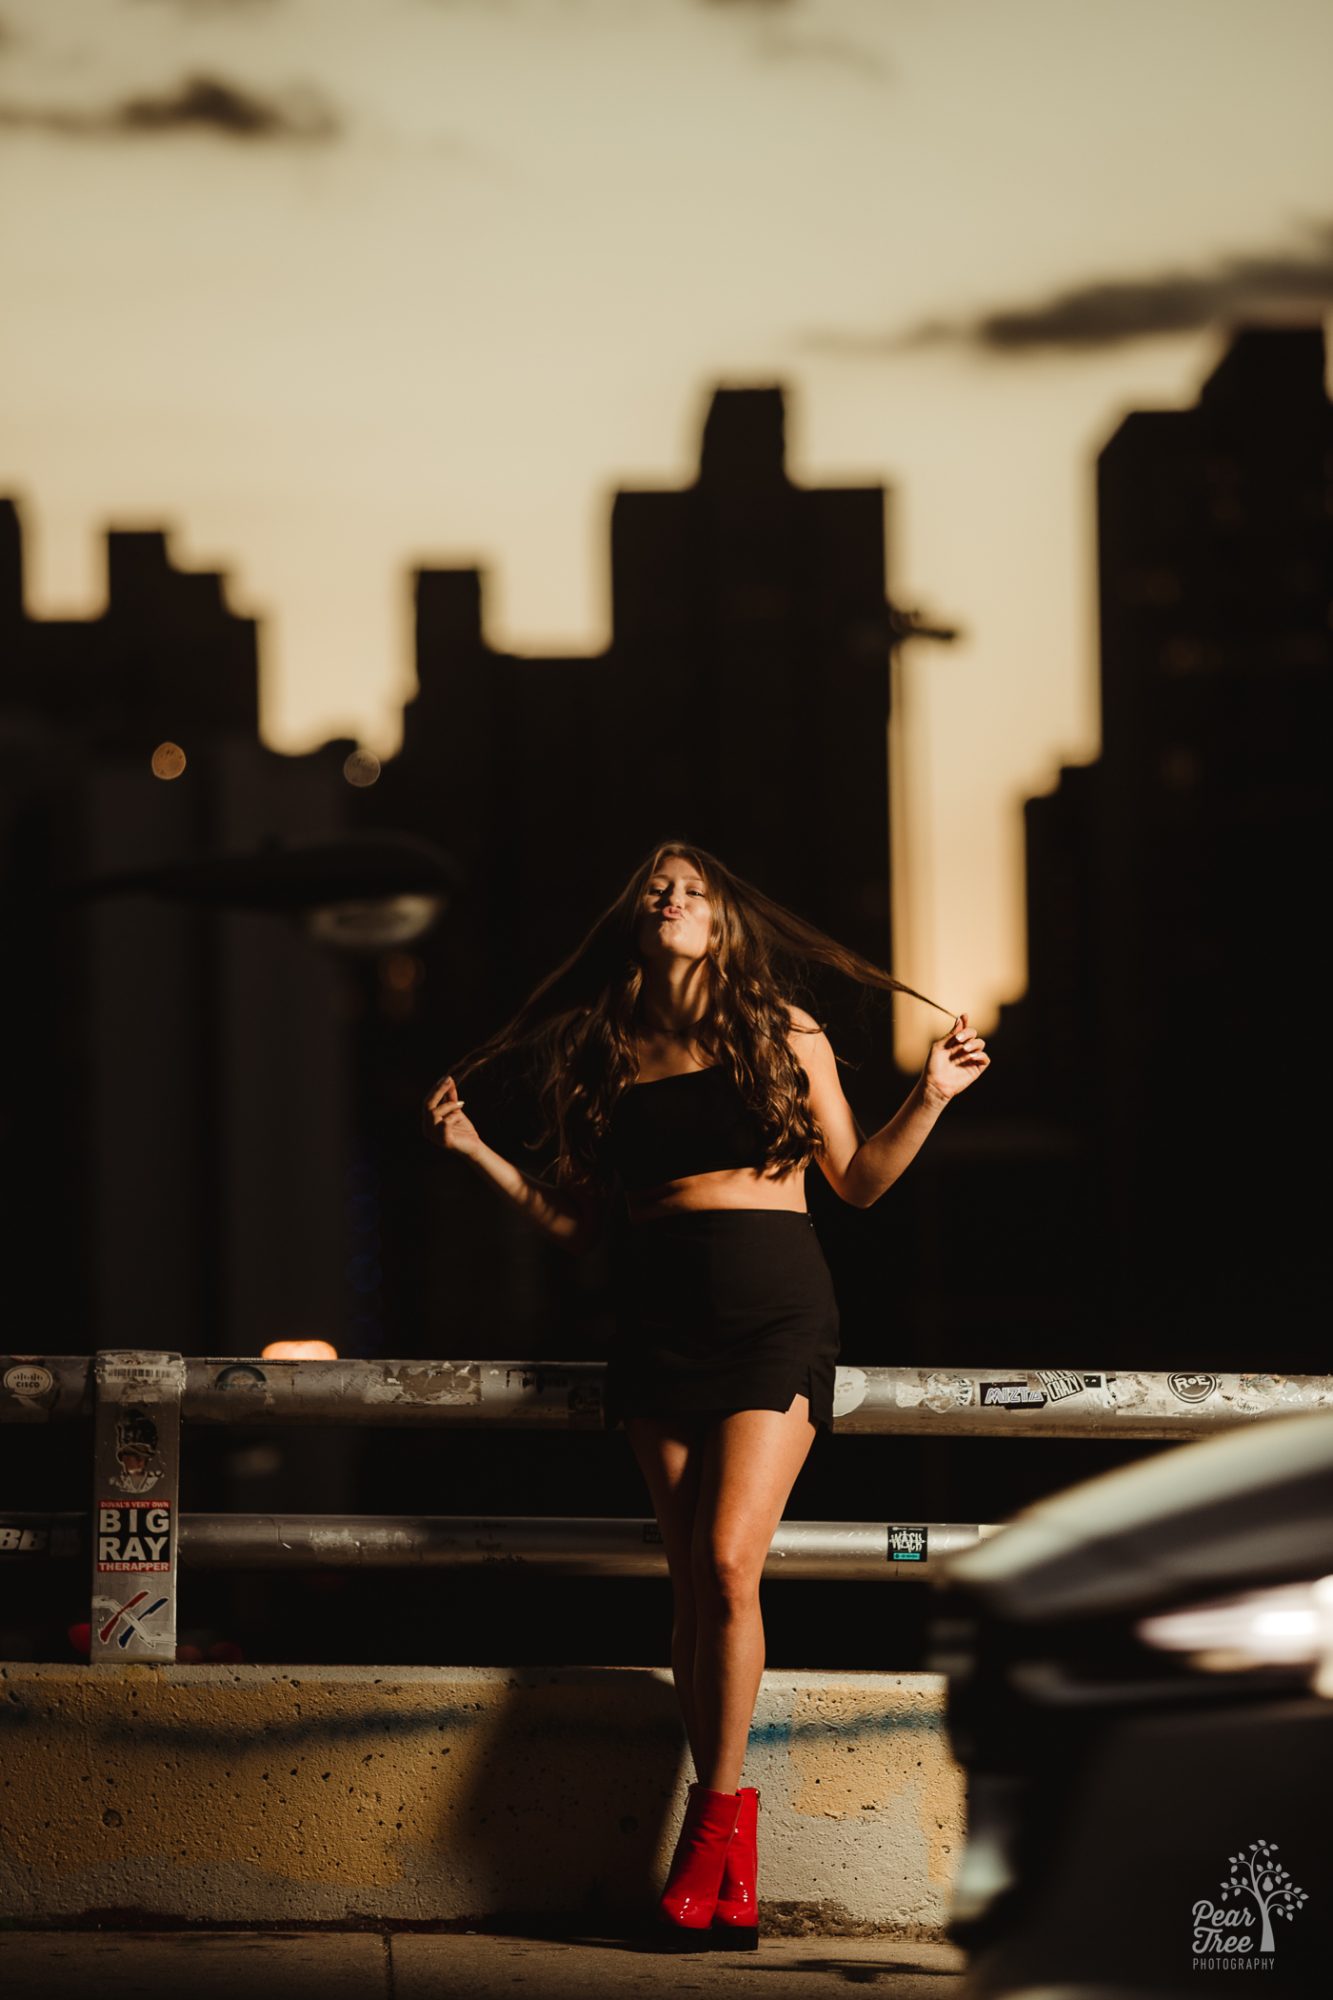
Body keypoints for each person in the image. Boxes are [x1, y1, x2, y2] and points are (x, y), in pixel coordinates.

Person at [421, 838, 989, 1950]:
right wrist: (475, 1150)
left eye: (695, 890)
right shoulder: (605, 1047)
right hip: (654, 1326)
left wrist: (929, 1093)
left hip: (774, 1317)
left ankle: (707, 1832)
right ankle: (731, 1875)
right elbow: (581, 1224)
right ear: (637, 921)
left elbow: (858, 1181)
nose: (672, 897)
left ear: (724, 922)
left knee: (731, 1562)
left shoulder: (785, 1031)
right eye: (656, 889)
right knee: (691, 1587)